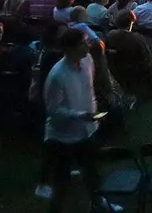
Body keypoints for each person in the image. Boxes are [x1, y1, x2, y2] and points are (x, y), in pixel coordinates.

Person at [42, 28, 114, 213]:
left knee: (92, 173)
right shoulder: (57, 75)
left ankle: (98, 205)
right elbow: (53, 109)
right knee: (61, 182)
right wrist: (79, 115)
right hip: (62, 136)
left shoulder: (88, 61)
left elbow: (89, 90)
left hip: (88, 130)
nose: (87, 45)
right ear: (69, 48)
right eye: (83, 42)